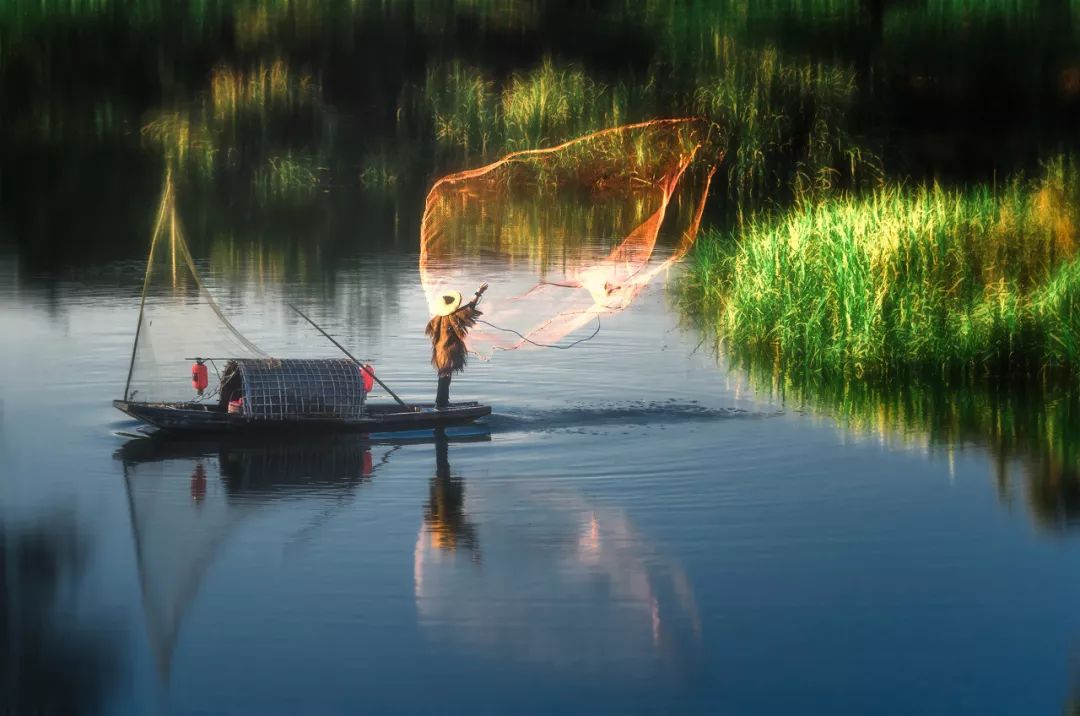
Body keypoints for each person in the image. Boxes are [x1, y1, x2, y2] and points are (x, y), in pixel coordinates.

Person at [425, 283, 487, 408]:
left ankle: (441, 401)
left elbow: (432, 333)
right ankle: (442, 404)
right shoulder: (454, 317)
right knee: (445, 376)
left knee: (444, 375)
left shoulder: (436, 320)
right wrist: (478, 292)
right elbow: (470, 307)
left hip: (439, 352)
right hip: (449, 352)